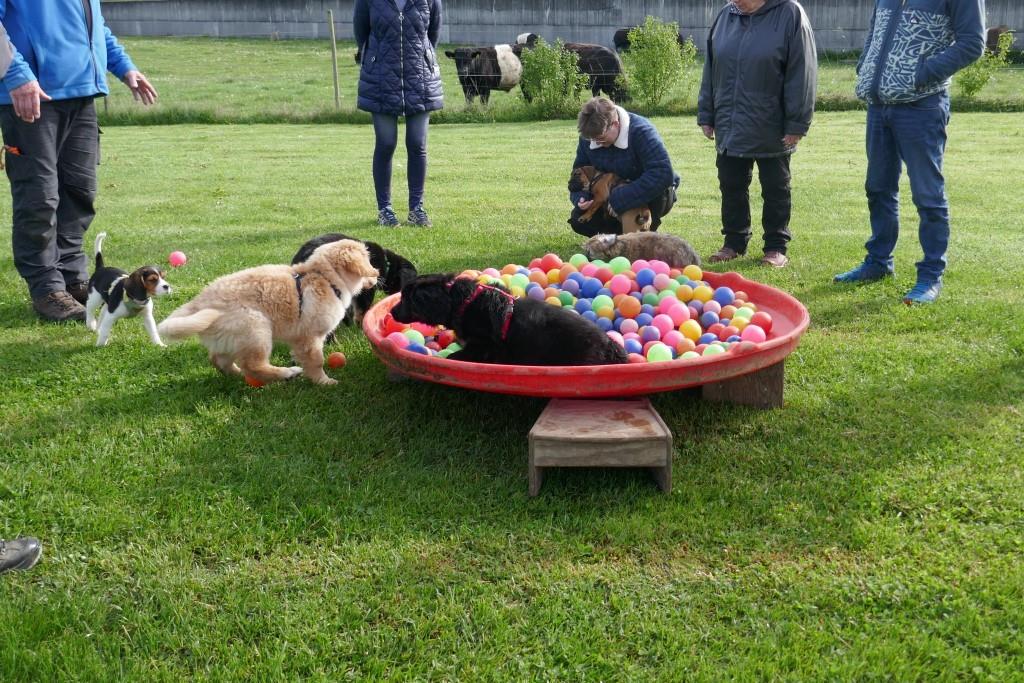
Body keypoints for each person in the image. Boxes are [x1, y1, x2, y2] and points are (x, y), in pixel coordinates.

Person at [1, 1, 157, 323]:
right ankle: (47, 288)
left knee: (79, 192)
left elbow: (94, 27)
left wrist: (124, 66)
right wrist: (16, 75)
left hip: (81, 95)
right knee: (39, 198)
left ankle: (73, 280)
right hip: (33, 95)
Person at [834, 0, 984, 304]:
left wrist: (922, 73)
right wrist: (866, 66)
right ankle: (878, 262)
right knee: (878, 188)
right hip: (879, 106)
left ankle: (930, 276)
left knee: (928, 196)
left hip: (922, 107)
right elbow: (876, 29)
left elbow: (972, 43)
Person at [697, 0, 817, 268]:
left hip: (772, 121)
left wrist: (797, 122)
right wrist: (707, 113)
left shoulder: (790, 14)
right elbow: (711, 67)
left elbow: (803, 71)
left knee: (775, 187)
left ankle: (776, 247)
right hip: (730, 120)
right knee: (731, 184)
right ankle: (733, 242)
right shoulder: (726, 15)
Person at [354, 0, 443, 228]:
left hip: (420, 79)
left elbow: (432, 35)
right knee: (385, 144)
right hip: (381, 79)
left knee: (417, 144)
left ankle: (416, 209)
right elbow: (361, 35)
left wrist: (420, 59)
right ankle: (385, 210)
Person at [569, 96, 679, 237]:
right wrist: (581, 197)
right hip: (607, 194)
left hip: (651, 194)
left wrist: (620, 199)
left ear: (615, 124)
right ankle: (616, 235)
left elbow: (663, 174)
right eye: (593, 140)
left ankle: (641, 232)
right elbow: (579, 171)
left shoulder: (641, 131)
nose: (596, 142)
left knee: (636, 233)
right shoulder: (591, 135)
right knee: (580, 221)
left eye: (601, 139)